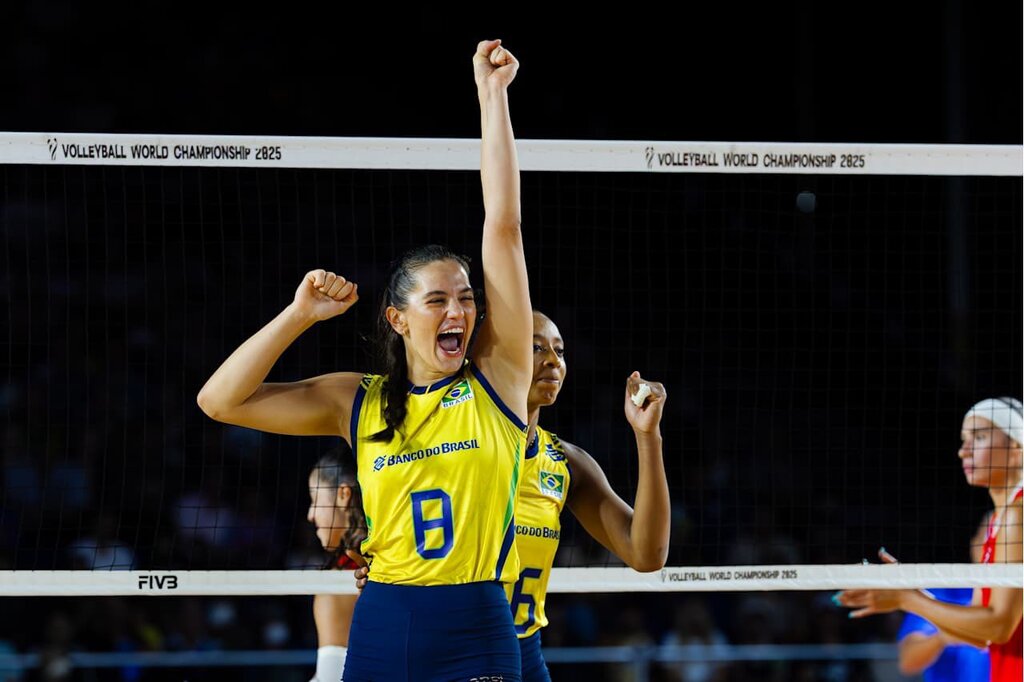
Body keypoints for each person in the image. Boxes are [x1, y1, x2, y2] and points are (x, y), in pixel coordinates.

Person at [198, 38, 533, 680]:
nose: (458, 311)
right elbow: (218, 401)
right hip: (383, 620)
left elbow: (504, 227)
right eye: (437, 300)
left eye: (466, 298)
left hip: (478, 624)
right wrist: (298, 315)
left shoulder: (499, 378)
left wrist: (492, 96)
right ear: (398, 319)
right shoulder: (359, 399)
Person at [355, 310, 671, 681]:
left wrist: (648, 436)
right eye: (534, 348)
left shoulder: (564, 463)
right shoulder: (444, 448)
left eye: (559, 350)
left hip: (522, 652)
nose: (552, 360)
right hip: (448, 647)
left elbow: (647, 554)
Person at [836, 397, 1023, 682]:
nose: (963, 451)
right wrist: (912, 596)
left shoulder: (1017, 515)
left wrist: (907, 599)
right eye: (964, 440)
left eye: (979, 437)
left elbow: (998, 627)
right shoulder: (998, 523)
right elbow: (980, 637)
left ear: (1017, 450)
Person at [894, 512, 990, 681]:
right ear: (974, 544)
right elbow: (907, 661)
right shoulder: (942, 592)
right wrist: (945, 636)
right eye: (989, 538)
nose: (993, 548)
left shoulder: (1016, 599)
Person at [305, 447, 366, 682]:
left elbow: (332, 677)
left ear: (344, 495)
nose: (310, 515)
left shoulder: (334, 589)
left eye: (314, 500)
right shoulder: (395, 560)